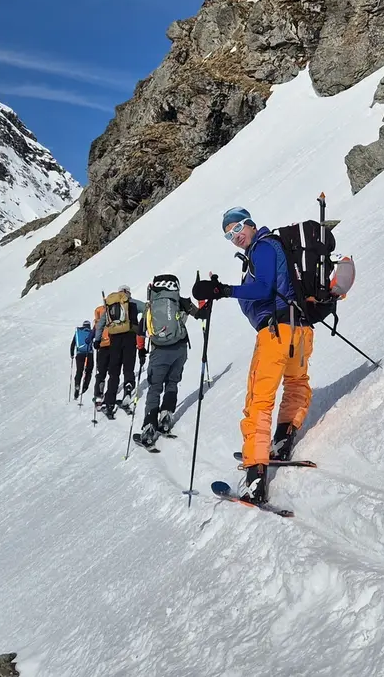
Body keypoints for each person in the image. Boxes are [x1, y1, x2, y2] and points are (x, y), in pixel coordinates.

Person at [192, 207, 312, 504]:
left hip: (275, 333)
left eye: (236, 229)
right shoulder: (272, 247)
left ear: (250, 224)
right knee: (296, 384)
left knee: (258, 401)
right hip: (300, 330)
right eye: (228, 235)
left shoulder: (263, 247)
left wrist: (223, 290)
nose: (234, 237)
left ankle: (255, 477)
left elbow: (262, 289)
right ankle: (282, 440)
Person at [133, 274, 207, 450]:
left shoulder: (151, 305)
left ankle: (149, 427)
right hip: (180, 351)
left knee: (154, 388)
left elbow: (141, 331)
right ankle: (166, 417)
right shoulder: (180, 301)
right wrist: (203, 298)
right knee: (172, 382)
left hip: (159, 352)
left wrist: (141, 350)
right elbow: (202, 314)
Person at [92, 287, 145, 419]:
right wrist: (142, 327)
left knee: (114, 371)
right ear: (128, 293)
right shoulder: (133, 303)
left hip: (114, 340)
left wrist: (97, 340)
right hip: (131, 337)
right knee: (128, 367)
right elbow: (147, 309)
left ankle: (109, 403)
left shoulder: (110, 304)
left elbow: (101, 323)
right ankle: (127, 388)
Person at [70, 320, 96, 401]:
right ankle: (85, 386)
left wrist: (72, 354)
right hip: (89, 354)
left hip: (80, 354)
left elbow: (73, 344)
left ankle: (77, 385)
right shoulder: (91, 332)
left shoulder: (78, 332)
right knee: (89, 370)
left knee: (79, 371)